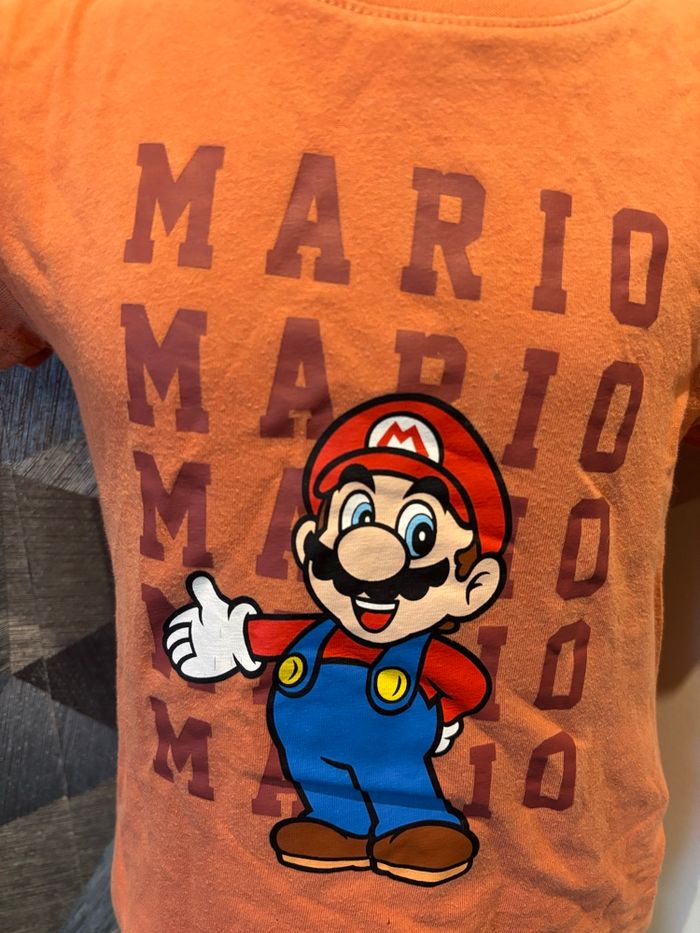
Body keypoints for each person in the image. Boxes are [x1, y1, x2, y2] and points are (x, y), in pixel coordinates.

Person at [0, 0, 698, 929]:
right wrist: (233, 639)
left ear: (474, 581)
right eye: (358, 514)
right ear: (313, 542)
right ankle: (334, 821)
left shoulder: (677, 81)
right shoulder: (48, 56)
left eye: (418, 530)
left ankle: (414, 825)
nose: (375, 550)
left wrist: (451, 710)